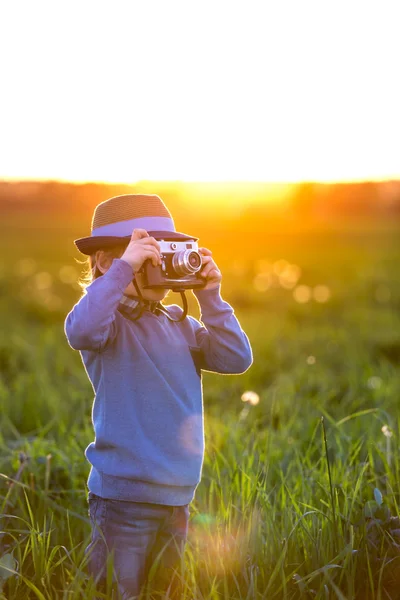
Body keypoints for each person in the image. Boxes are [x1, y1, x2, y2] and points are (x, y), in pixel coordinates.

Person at [64, 193, 252, 598]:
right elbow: (80, 329)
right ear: (103, 262)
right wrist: (123, 271)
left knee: (166, 592)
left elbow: (237, 358)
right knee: (118, 592)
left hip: (178, 494)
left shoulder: (180, 323)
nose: (158, 269)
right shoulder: (108, 326)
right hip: (122, 497)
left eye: (164, 256)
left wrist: (210, 296)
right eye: (144, 257)